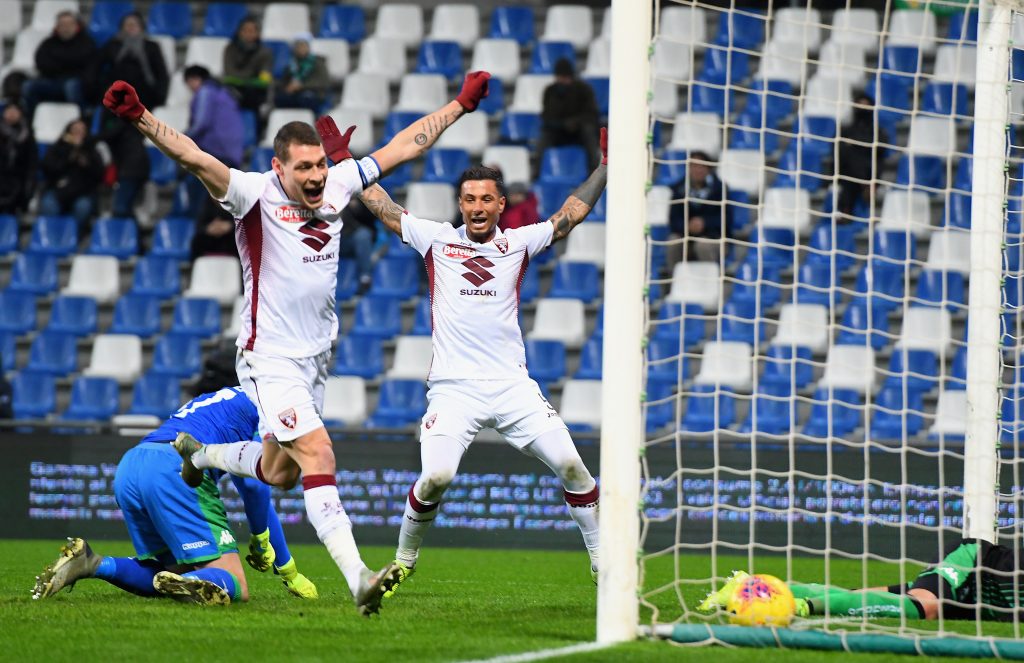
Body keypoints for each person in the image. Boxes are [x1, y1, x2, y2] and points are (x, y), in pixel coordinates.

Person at [99, 69, 493, 615]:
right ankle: (359, 578)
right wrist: (141, 117)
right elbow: (193, 157)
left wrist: (460, 106)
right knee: (318, 452)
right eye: (303, 166)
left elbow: (404, 144)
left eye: (320, 165)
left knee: (279, 472)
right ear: (278, 166)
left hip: (315, 362)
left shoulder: (337, 184)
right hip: (269, 358)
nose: (315, 176)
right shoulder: (251, 194)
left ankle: (202, 455)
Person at [345, 128, 609, 596]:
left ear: (501, 205)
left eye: (487, 199)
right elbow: (383, 205)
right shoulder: (436, 241)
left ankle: (600, 564)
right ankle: (404, 560)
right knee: (437, 477)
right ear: (461, 204)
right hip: (453, 390)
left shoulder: (520, 243)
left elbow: (570, 216)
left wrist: (606, 168)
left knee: (573, 465)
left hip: (513, 387)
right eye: (469, 199)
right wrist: (345, 160)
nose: (478, 207)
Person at [32, 386, 317, 605]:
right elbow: (257, 486)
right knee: (236, 584)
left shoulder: (225, 398)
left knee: (172, 568)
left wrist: (288, 569)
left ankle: (93, 563)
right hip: (175, 468)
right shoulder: (272, 405)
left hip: (132, 465)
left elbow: (253, 488)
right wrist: (260, 538)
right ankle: (190, 581)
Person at [699, 538, 1024, 622]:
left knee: (882, 597)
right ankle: (801, 606)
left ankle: (748, 585)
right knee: (925, 606)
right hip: (975, 564)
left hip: (980, 604)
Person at [92, 12, 168, 220]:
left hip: (144, 104)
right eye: (127, 24)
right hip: (116, 106)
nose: (131, 28)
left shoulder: (151, 48)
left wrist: (158, 98)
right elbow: (97, 71)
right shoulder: (113, 46)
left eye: (135, 24)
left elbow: (161, 76)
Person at [183, 65, 244, 219]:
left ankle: (197, 224)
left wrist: (182, 139)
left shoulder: (205, 92)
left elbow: (201, 123)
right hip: (232, 153)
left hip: (216, 151)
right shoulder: (224, 93)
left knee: (199, 192)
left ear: (194, 79)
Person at [21, 10, 97, 118]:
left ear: (76, 26)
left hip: (78, 82)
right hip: (52, 81)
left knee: (71, 86)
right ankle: (32, 120)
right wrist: (70, 63)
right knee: (28, 86)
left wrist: (60, 63)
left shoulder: (87, 43)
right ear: (57, 27)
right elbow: (41, 63)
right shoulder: (48, 43)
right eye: (62, 25)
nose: (66, 28)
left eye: (69, 24)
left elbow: (89, 67)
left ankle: (82, 120)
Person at [38, 118, 105, 226]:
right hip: (57, 190)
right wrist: (68, 159)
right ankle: (52, 238)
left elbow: (99, 175)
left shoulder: (92, 151)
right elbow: (48, 169)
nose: (78, 132)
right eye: (75, 129)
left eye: (82, 129)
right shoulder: (57, 148)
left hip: (83, 192)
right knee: (48, 205)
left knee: (83, 207)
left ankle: (74, 237)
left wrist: (87, 164)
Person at [539, 58, 601, 171]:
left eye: (565, 77)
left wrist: (575, 122)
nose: (562, 80)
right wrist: (562, 124)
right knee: (544, 136)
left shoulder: (584, 89)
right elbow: (546, 116)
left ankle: (593, 170)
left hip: (579, 131)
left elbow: (591, 114)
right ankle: (538, 172)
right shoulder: (550, 91)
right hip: (558, 131)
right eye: (560, 77)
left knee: (589, 131)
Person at [667, 150, 728, 264]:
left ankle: (710, 279)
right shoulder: (678, 190)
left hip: (714, 239)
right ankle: (673, 279)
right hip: (686, 236)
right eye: (694, 166)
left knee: (702, 245)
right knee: (673, 241)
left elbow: (726, 220)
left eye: (701, 166)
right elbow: (673, 220)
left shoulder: (720, 190)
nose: (697, 170)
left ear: (708, 168)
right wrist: (688, 226)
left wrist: (705, 223)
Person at [835, 92, 881, 222]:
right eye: (860, 104)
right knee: (851, 159)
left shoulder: (876, 130)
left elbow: (880, 146)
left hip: (870, 170)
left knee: (858, 158)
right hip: (850, 172)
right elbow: (839, 147)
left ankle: (845, 210)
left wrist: (855, 142)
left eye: (865, 104)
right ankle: (865, 186)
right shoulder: (847, 129)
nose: (862, 107)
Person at [222, 16, 273, 117]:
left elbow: (264, 79)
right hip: (234, 89)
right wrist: (251, 77)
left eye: (252, 30)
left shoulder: (265, 52)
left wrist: (243, 79)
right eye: (245, 30)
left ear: (258, 33)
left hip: (255, 92)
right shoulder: (230, 49)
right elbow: (229, 73)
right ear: (239, 32)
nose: (248, 34)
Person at [274, 33, 330, 113]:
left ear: (308, 47)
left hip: (313, 93)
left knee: (306, 98)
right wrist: (287, 88)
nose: (301, 48)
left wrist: (301, 86)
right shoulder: (291, 64)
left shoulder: (318, 62)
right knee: (280, 98)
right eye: (298, 46)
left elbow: (323, 82)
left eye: (303, 46)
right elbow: (284, 81)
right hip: (294, 94)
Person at [0, 103, 37, 216]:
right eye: (9, 110)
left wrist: (28, 186)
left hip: (18, 181)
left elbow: (32, 163)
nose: (11, 114)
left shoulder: (27, 135)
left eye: (15, 110)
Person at [339, 197, 378, 295]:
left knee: (363, 235)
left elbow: (374, 216)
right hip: (332, 239)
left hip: (352, 239)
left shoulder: (363, 191)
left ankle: (365, 278)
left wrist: (358, 207)